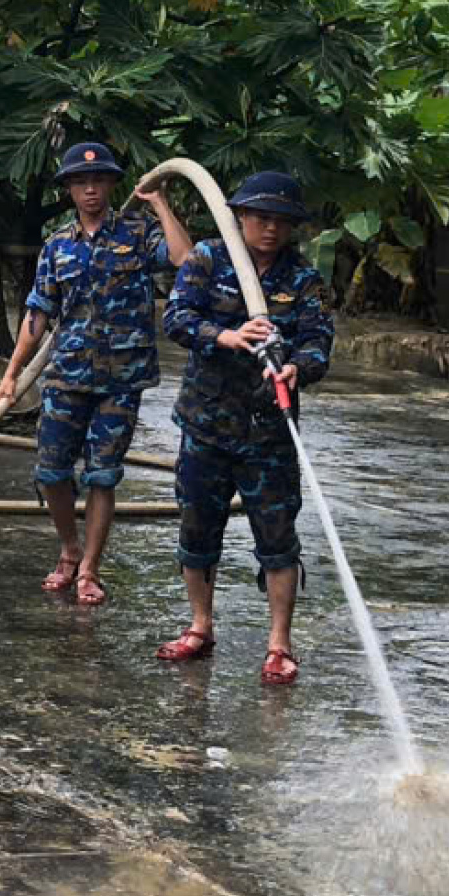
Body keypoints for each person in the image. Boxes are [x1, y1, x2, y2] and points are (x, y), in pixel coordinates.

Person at [154, 170, 335, 686]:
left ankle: (279, 643)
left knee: (277, 538)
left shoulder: (303, 279)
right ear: (240, 217)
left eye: (281, 220)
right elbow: (177, 318)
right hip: (206, 425)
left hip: (268, 431)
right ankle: (199, 626)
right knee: (196, 528)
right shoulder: (209, 259)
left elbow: (320, 341)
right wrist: (227, 335)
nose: (270, 229)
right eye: (260, 218)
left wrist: (299, 365)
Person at [0, 142, 194, 605]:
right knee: (50, 471)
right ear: (68, 190)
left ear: (110, 185)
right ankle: (68, 549)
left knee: (103, 475)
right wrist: (11, 374)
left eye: (99, 180)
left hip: (121, 379)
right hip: (66, 374)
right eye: (81, 182)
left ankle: (89, 570)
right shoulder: (57, 246)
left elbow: (183, 259)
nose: (90, 188)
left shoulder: (138, 233)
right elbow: (37, 314)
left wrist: (159, 202)